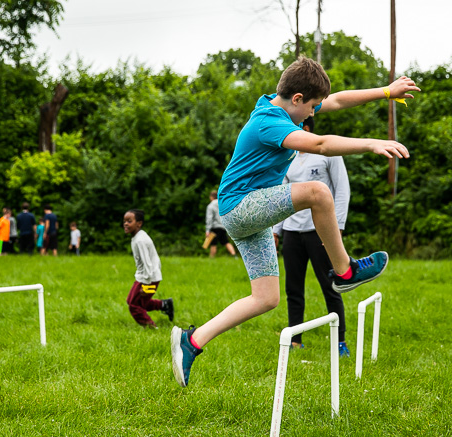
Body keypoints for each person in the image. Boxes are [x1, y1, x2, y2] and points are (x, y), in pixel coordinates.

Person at [170, 57, 419, 387]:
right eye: (312, 107)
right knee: (317, 192)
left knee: (266, 298)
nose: (314, 114)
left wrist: (386, 91)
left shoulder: (285, 105)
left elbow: (339, 99)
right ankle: (344, 272)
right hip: (241, 206)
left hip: (250, 212)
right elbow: (320, 144)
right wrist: (371, 143)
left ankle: (192, 342)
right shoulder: (268, 123)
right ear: (298, 99)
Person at [272, 116, 350, 354]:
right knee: (293, 288)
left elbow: (342, 190)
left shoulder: (328, 152)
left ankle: (340, 342)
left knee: (331, 286)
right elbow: (282, 197)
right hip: (292, 233)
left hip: (321, 233)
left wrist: (336, 228)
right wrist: (276, 231)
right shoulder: (288, 158)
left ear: (305, 129)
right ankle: (295, 339)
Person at [123, 209, 174, 328]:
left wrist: (145, 286)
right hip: (146, 276)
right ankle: (164, 304)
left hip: (149, 278)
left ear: (139, 223)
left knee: (134, 306)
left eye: (129, 221)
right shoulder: (137, 236)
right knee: (134, 301)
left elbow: (148, 264)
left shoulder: (140, 240)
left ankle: (152, 328)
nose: (125, 224)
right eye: (124, 221)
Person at [204, 190, 237, 258]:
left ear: (211, 197)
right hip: (223, 226)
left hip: (215, 227)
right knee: (225, 242)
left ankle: (211, 258)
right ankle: (234, 255)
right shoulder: (222, 204)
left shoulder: (210, 206)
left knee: (213, 243)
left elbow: (209, 219)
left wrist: (207, 230)